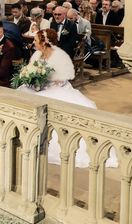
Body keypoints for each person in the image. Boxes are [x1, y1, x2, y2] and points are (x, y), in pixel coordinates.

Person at [18, 29, 117, 168]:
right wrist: (31, 78)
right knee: (21, 93)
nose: (33, 42)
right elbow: (32, 70)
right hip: (39, 86)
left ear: (44, 42)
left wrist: (42, 82)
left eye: (35, 40)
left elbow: (60, 79)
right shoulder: (38, 55)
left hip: (55, 88)